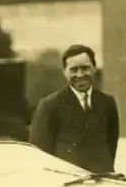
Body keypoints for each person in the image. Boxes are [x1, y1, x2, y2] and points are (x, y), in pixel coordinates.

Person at [28, 44, 120, 174]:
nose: (80, 74)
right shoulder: (50, 105)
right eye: (74, 70)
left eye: (85, 68)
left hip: (102, 180)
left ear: (94, 68)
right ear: (65, 72)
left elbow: (111, 145)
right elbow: (39, 153)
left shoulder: (107, 103)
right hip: (68, 181)